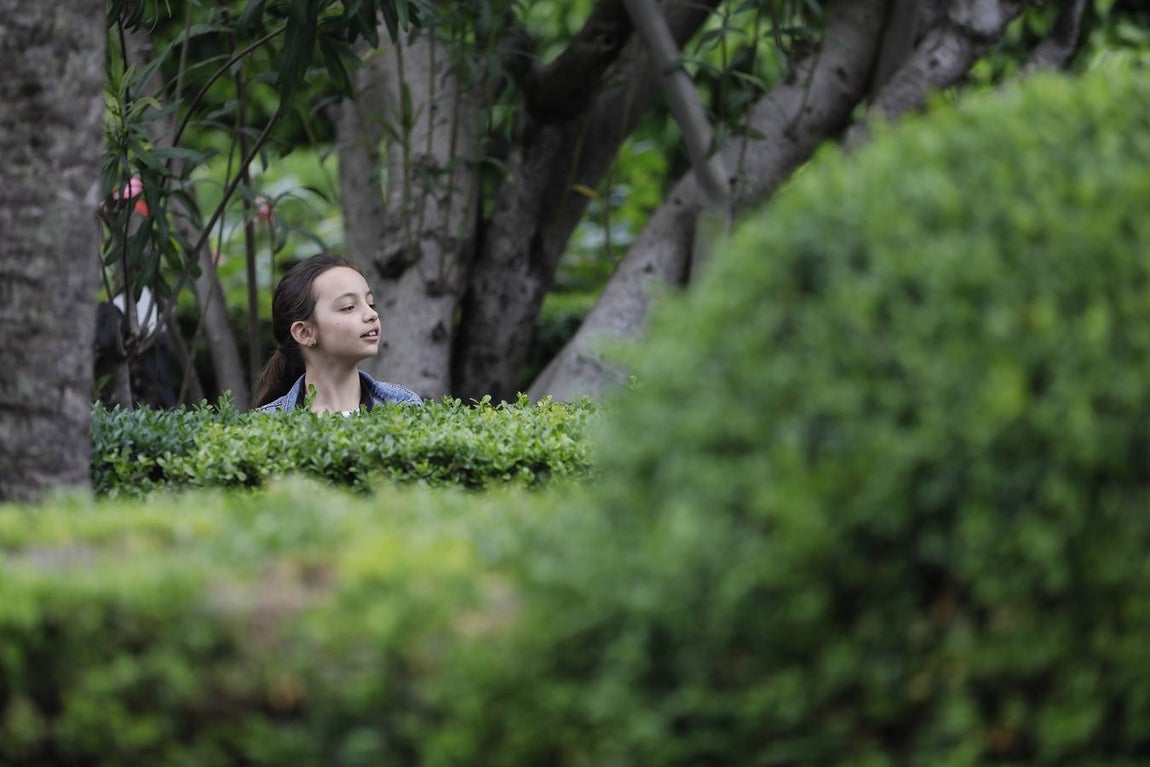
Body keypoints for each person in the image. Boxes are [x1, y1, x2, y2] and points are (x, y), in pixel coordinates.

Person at [252, 253, 422, 413]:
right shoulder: (265, 424)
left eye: (371, 304)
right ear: (304, 333)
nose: (372, 314)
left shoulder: (405, 406)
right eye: (349, 307)